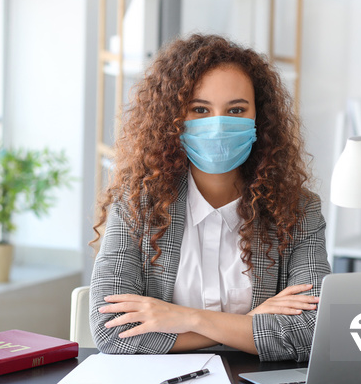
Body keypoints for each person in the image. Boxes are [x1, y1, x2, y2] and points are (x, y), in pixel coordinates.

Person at [89, 33, 331, 362]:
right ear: (173, 119)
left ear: (259, 119)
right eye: (200, 109)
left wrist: (189, 319)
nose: (218, 125)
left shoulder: (300, 210)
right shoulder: (136, 205)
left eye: (236, 110)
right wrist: (248, 325)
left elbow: (311, 331)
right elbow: (111, 331)